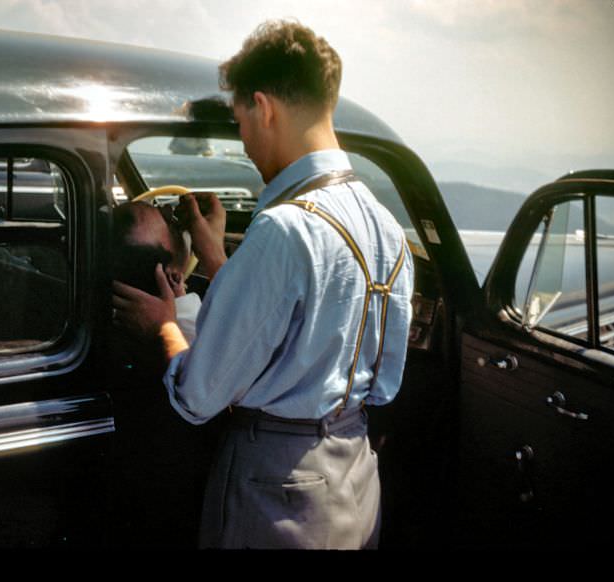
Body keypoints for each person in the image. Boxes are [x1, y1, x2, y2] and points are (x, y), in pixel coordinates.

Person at [112, 20, 414, 549]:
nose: (245, 142)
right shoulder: (386, 226)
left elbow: (197, 397)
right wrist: (215, 256)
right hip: (355, 478)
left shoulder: (283, 228)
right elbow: (351, 366)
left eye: (240, 121)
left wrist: (164, 326)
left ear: (263, 106)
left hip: (276, 491)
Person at [111, 201, 201, 343]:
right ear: (171, 278)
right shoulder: (195, 330)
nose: (169, 209)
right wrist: (214, 255)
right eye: (172, 226)